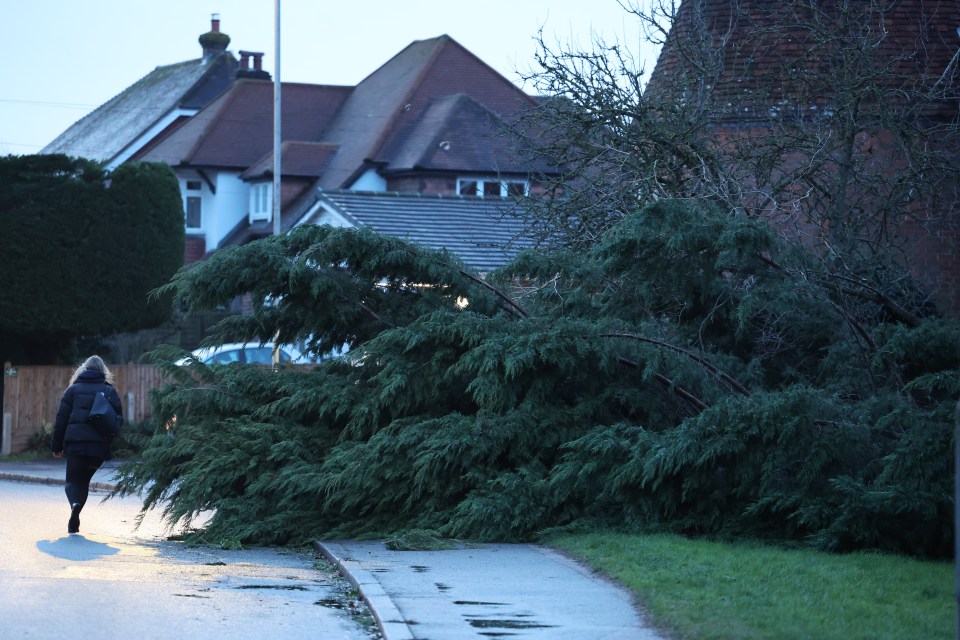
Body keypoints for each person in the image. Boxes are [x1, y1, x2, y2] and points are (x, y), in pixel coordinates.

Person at [50, 355, 124, 534]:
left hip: (75, 445)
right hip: (98, 448)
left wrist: (56, 446)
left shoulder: (72, 390)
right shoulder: (109, 391)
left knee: (72, 481)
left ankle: (74, 506)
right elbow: (118, 420)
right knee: (83, 481)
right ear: (103, 371)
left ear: (83, 369)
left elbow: (61, 420)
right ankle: (76, 512)